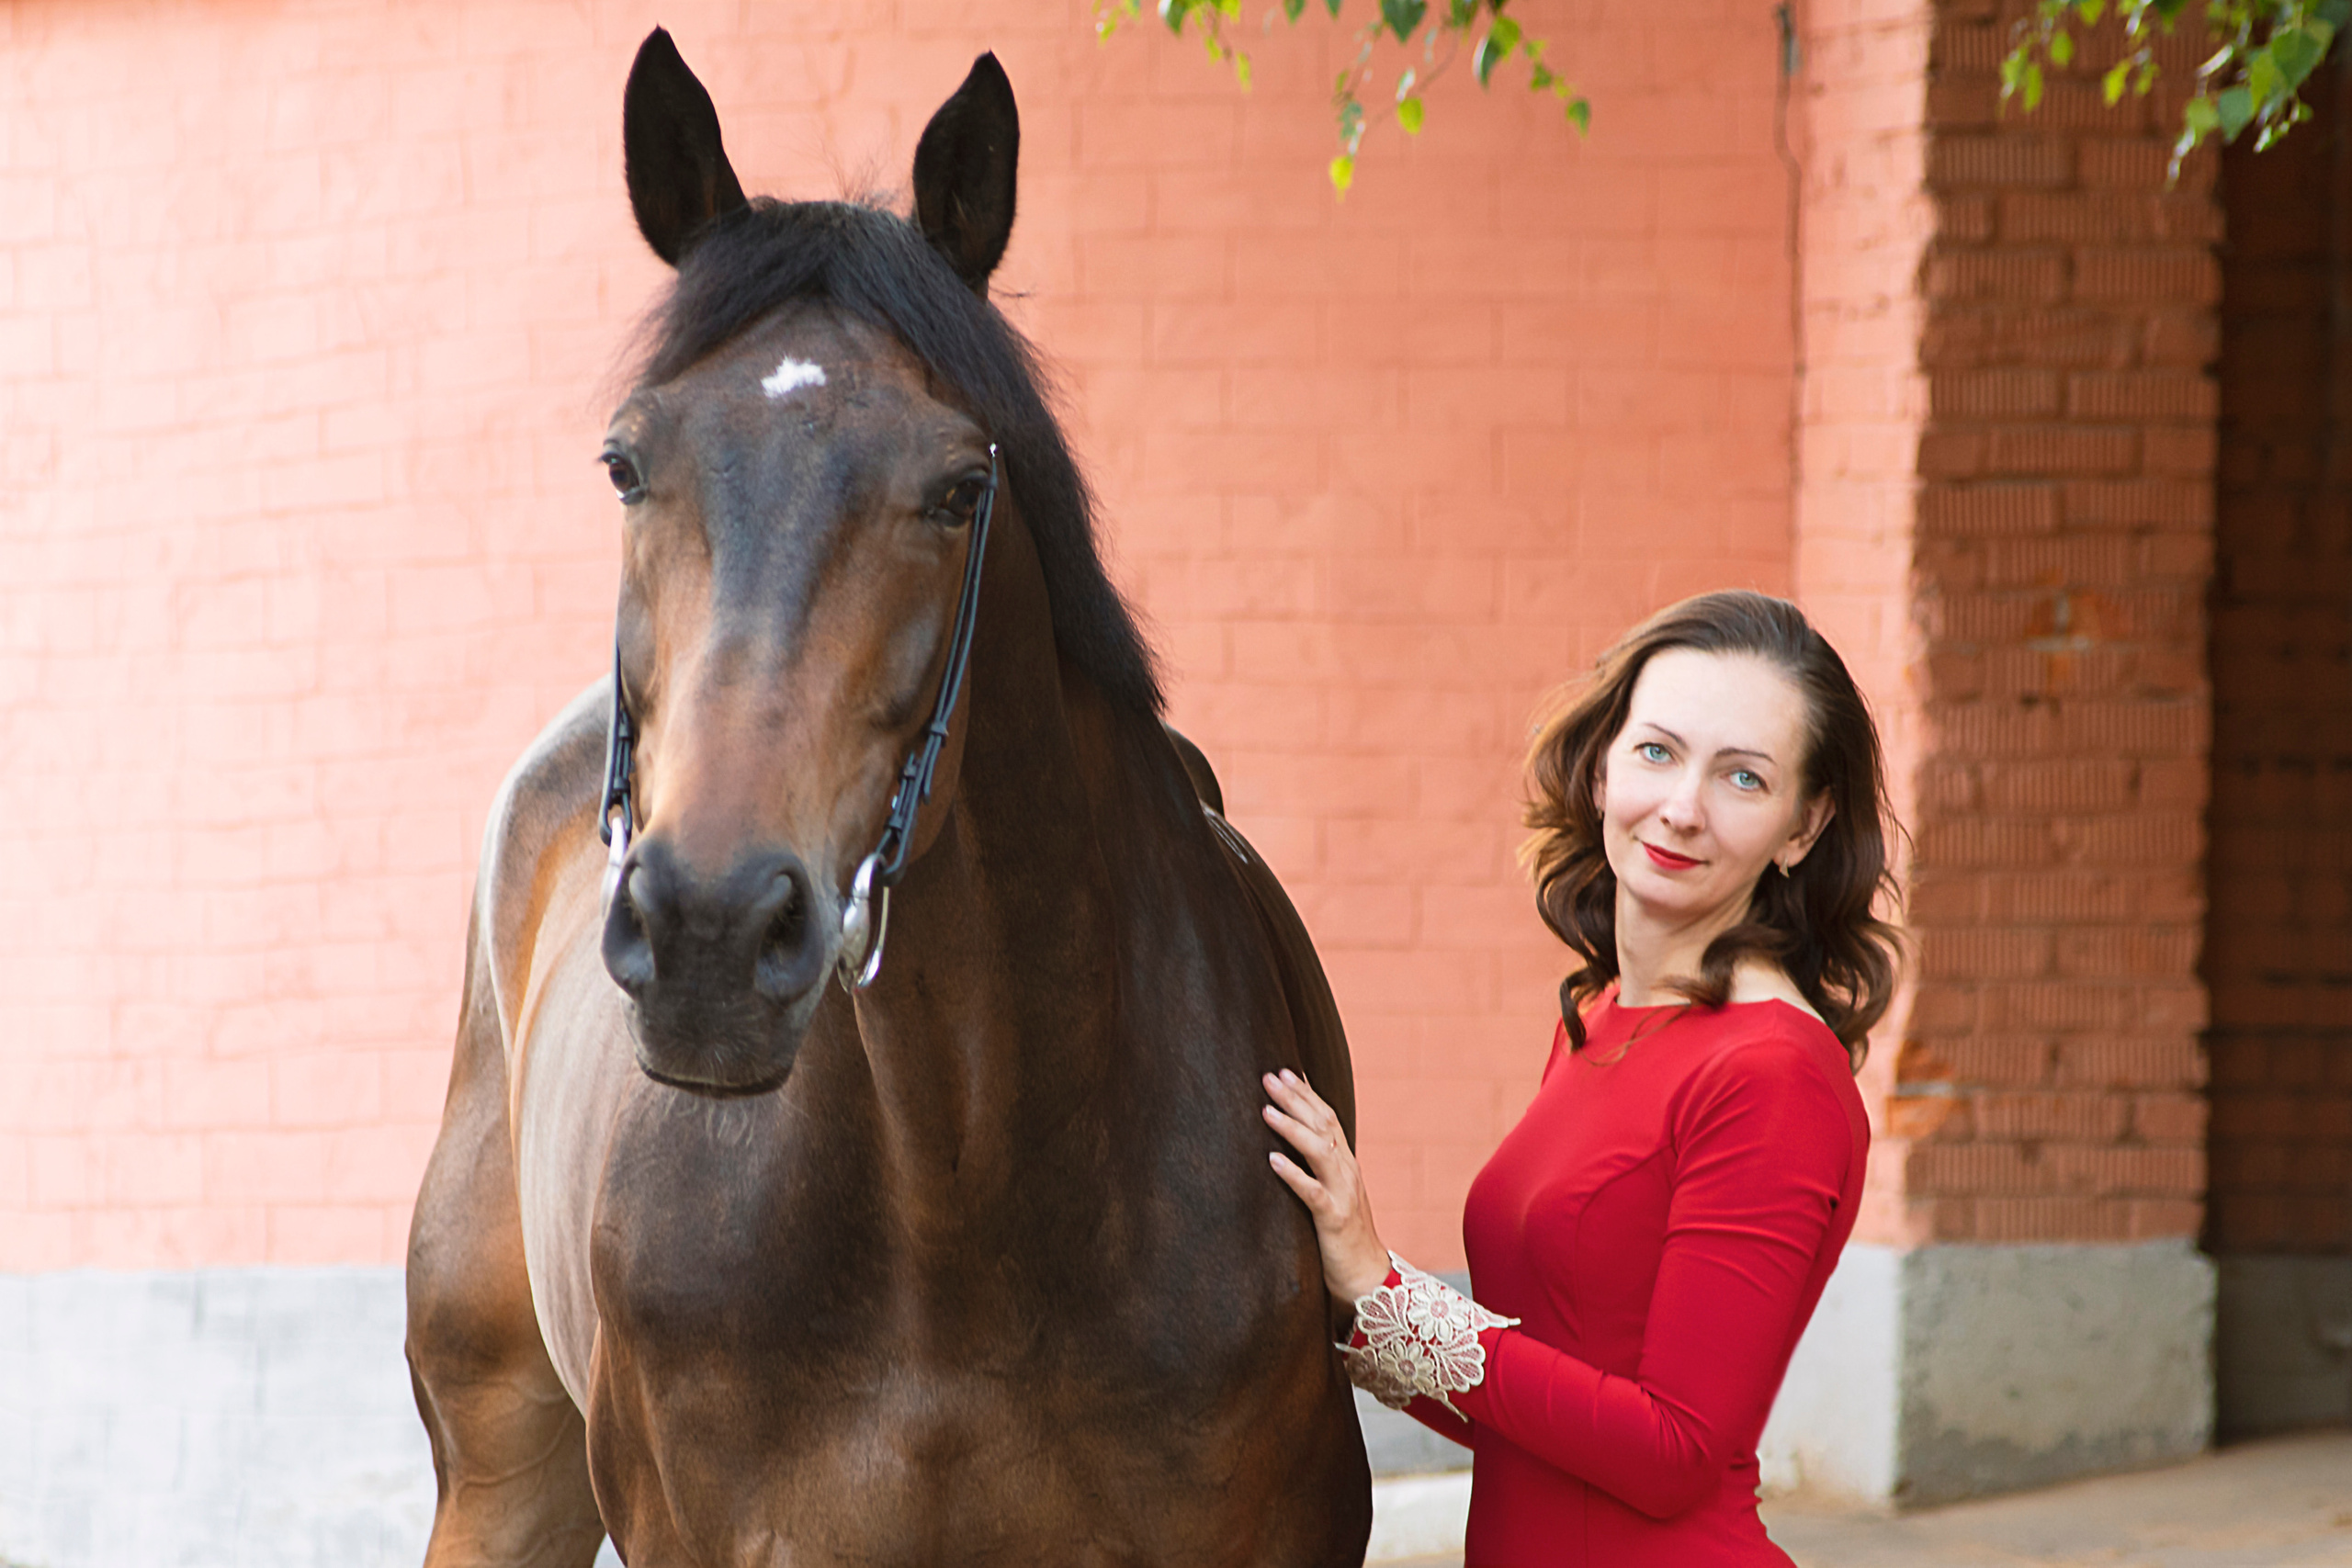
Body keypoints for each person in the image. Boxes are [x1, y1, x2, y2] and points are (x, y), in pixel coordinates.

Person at [1262, 590, 1903, 1567]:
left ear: (1802, 827)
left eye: (1741, 778)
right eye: (1656, 751)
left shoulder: (1773, 1073)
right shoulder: (1600, 1018)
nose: (1682, 808)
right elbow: (1543, 1424)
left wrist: (1384, 1283)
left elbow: (1671, 1452)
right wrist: (1341, 1311)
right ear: (1603, 767)